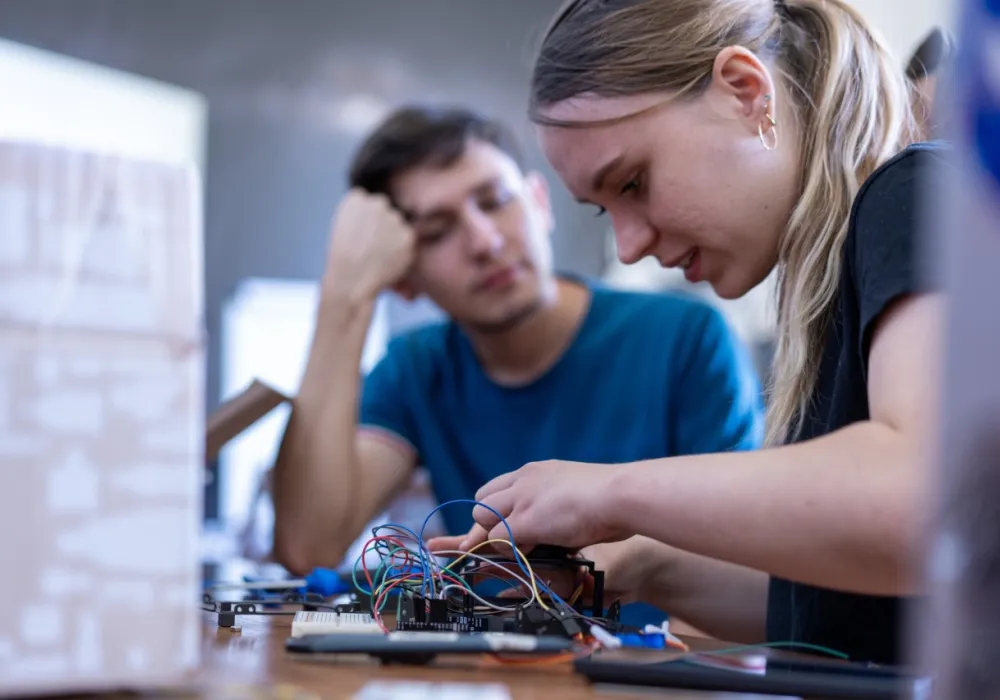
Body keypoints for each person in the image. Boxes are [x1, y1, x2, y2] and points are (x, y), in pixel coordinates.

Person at [435, 0, 945, 665]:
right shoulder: (832, 282)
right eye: (604, 208)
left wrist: (610, 492)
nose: (627, 245)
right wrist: (640, 567)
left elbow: (925, 505)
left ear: (745, 92)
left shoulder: (912, 193)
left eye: (635, 182)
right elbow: (846, 603)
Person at [270, 105, 764, 576]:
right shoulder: (416, 369)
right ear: (403, 277)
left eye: (496, 201)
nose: (485, 241)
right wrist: (343, 298)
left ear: (540, 203)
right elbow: (309, 546)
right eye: (438, 231)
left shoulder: (686, 339)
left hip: (650, 662)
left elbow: (740, 551)